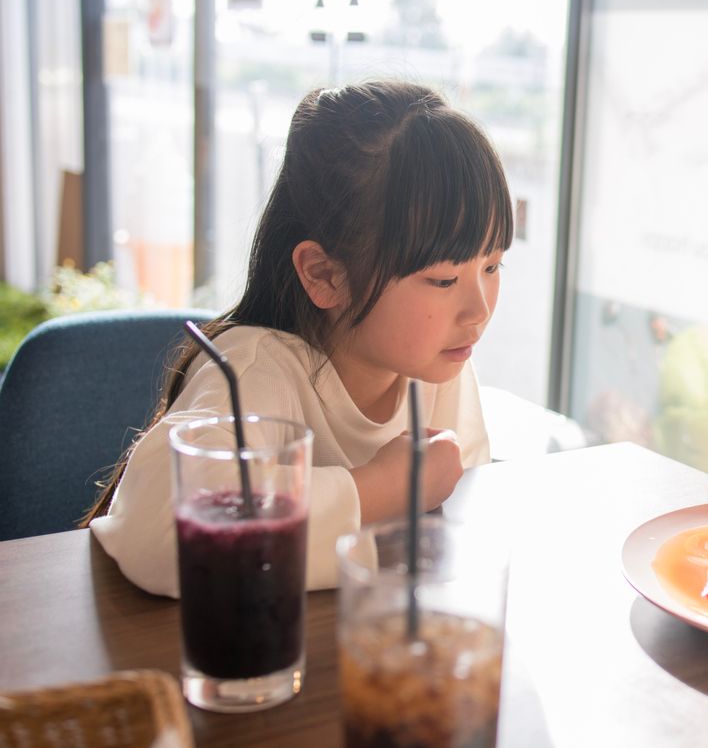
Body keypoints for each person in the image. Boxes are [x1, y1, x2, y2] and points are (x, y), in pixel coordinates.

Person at [86, 80, 512, 598]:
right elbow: (160, 533)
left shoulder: (438, 362)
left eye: (492, 266)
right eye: (443, 280)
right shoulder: (255, 374)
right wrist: (380, 489)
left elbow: (458, 533)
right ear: (325, 274)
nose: (480, 309)